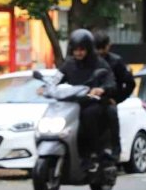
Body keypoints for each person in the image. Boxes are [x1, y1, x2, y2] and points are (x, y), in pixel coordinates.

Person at [49, 29, 116, 170]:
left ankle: (91, 154)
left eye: (82, 50)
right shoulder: (68, 64)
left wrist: (101, 89)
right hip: (74, 102)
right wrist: (47, 87)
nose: (78, 53)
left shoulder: (99, 64)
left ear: (89, 49)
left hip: (93, 100)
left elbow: (110, 82)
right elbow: (56, 78)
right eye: (75, 50)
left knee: (88, 115)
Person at [95, 33, 136, 157]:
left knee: (112, 114)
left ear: (108, 47)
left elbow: (130, 83)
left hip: (108, 99)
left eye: (102, 48)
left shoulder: (115, 61)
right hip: (89, 99)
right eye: (97, 48)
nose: (100, 52)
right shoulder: (89, 61)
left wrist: (117, 99)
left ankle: (115, 148)